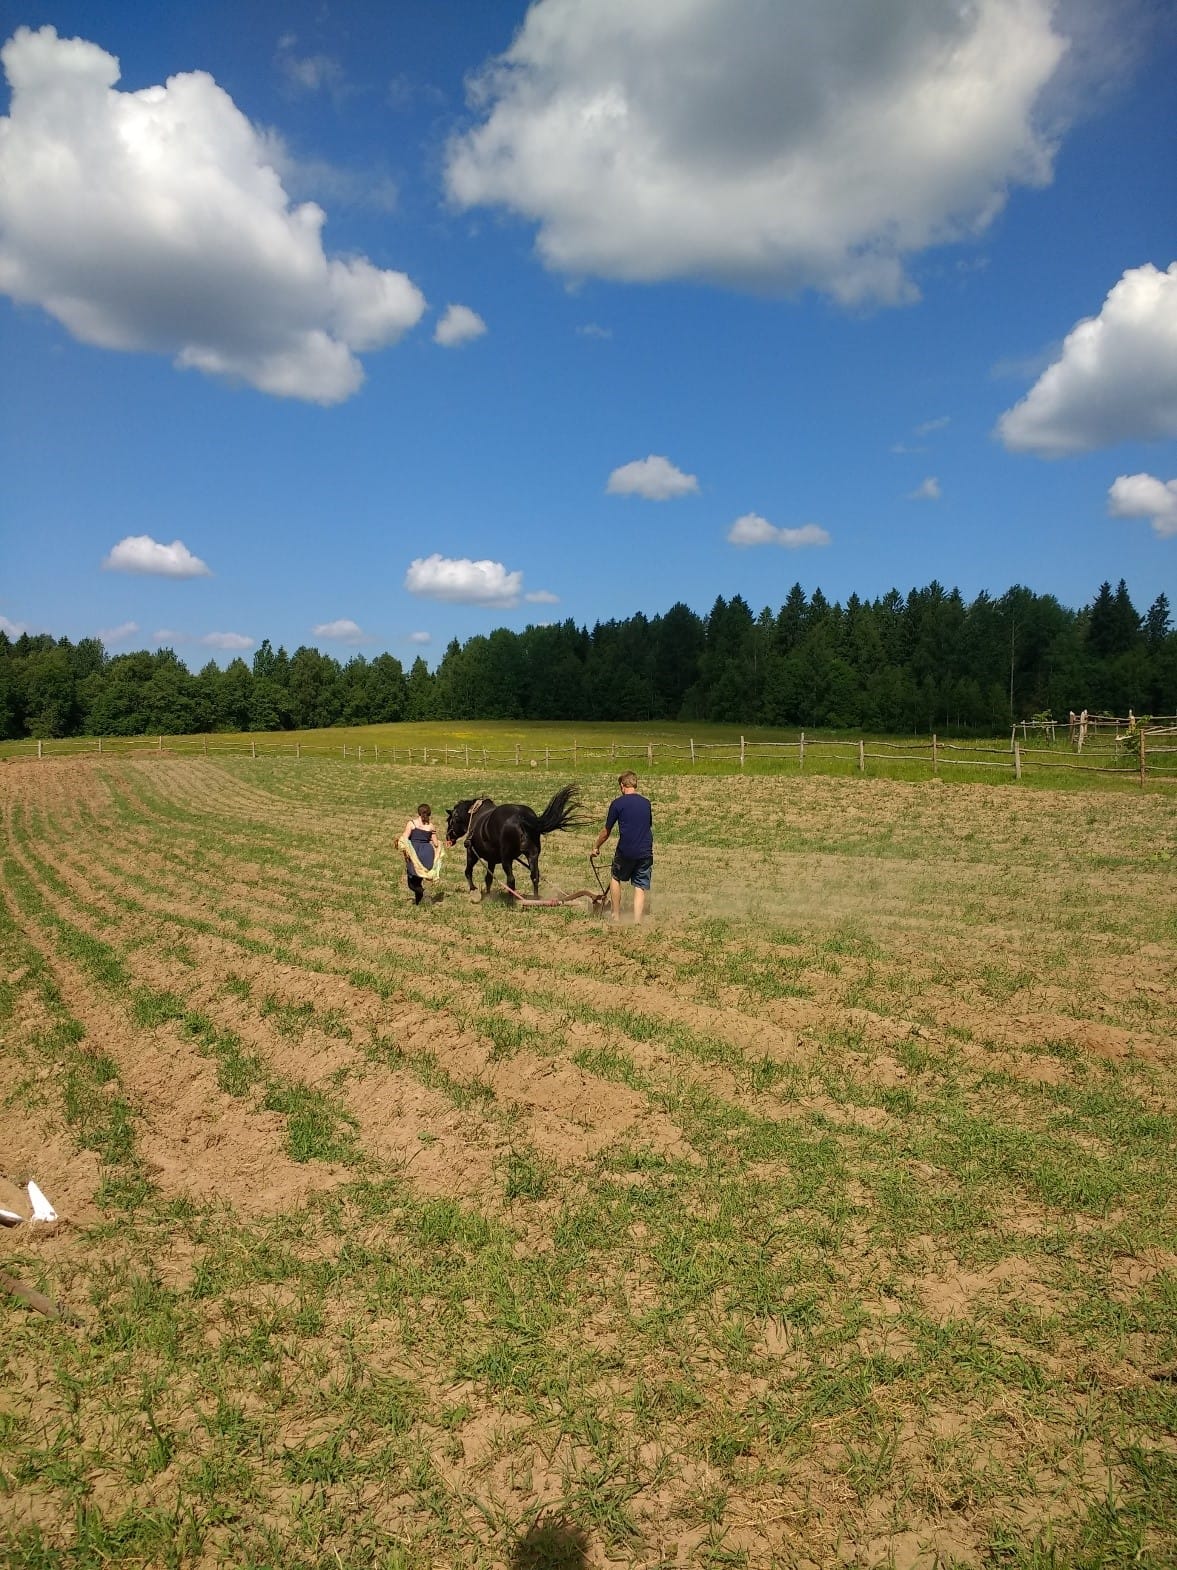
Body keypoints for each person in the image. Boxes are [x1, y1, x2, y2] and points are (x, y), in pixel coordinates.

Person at [593, 771, 653, 923]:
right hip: (645, 851)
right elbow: (647, 825)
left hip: (625, 850)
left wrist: (596, 846)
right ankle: (637, 921)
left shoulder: (618, 804)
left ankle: (616, 916)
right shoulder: (646, 803)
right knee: (640, 885)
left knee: (615, 877)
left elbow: (606, 831)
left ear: (622, 786)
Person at [400, 803, 440, 906]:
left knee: (411, 883)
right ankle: (419, 903)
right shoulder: (431, 826)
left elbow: (405, 838)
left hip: (415, 854)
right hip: (427, 854)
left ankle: (424, 892)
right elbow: (436, 843)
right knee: (418, 880)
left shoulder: (411, 824)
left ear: (418, 812)